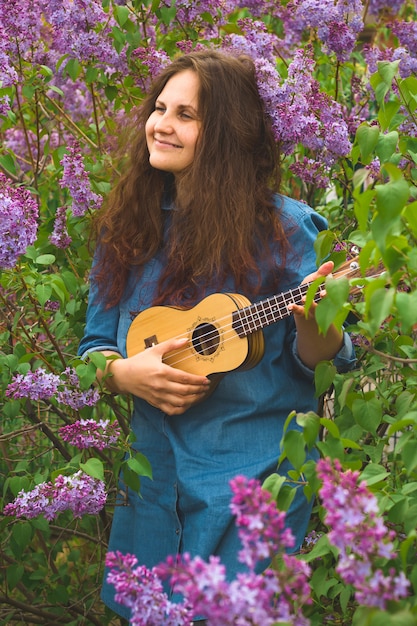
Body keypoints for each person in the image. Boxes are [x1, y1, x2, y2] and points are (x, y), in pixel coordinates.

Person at [78, 49, 355, 622]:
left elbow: (321, 359)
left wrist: (313, 321)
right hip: (155, 485)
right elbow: (94, 348)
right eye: (160, 108)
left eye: (186, 114)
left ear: (226, 133)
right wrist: (125, 373)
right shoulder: (130, 225)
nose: (162, 124)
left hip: (250, 484)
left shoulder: (285, 229)